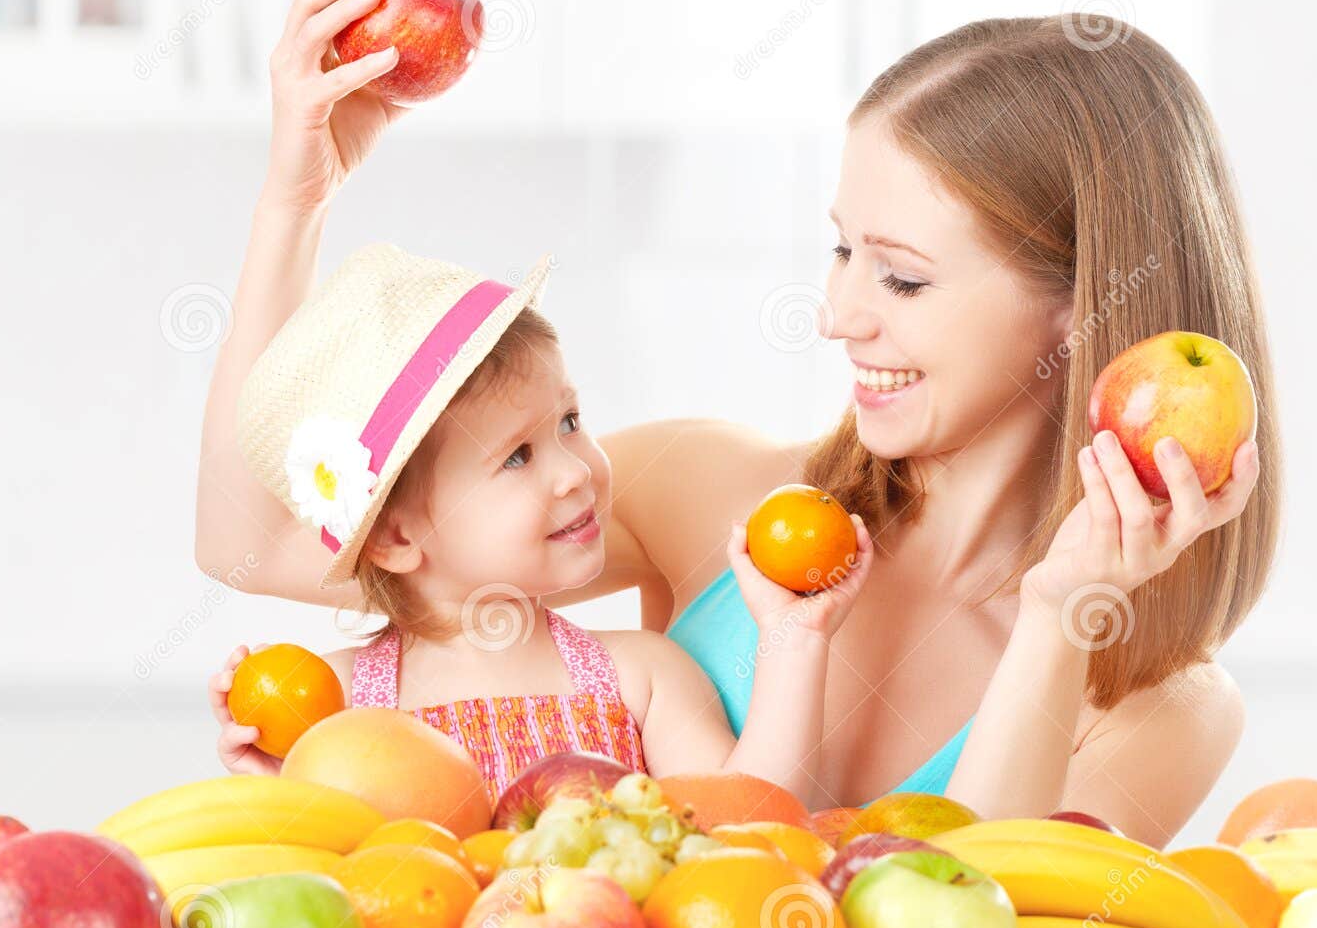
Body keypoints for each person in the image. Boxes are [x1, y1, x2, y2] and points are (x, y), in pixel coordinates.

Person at [194, 0, 1277, 846]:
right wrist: (296, 197)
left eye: (900, 275)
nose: (838, 314)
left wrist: (1055, 615)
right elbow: (252, 546)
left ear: (1085, 306)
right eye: (841, 251)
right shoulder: (709, 487)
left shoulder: (1157, 701)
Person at [208, 239, 871, 801]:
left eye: (570, 421)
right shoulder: (337, 706)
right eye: (518, 456)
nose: (576, 470)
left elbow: (750, 827)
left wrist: (794, 641)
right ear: (398, 536)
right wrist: (278, 788)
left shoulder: (642, 676)